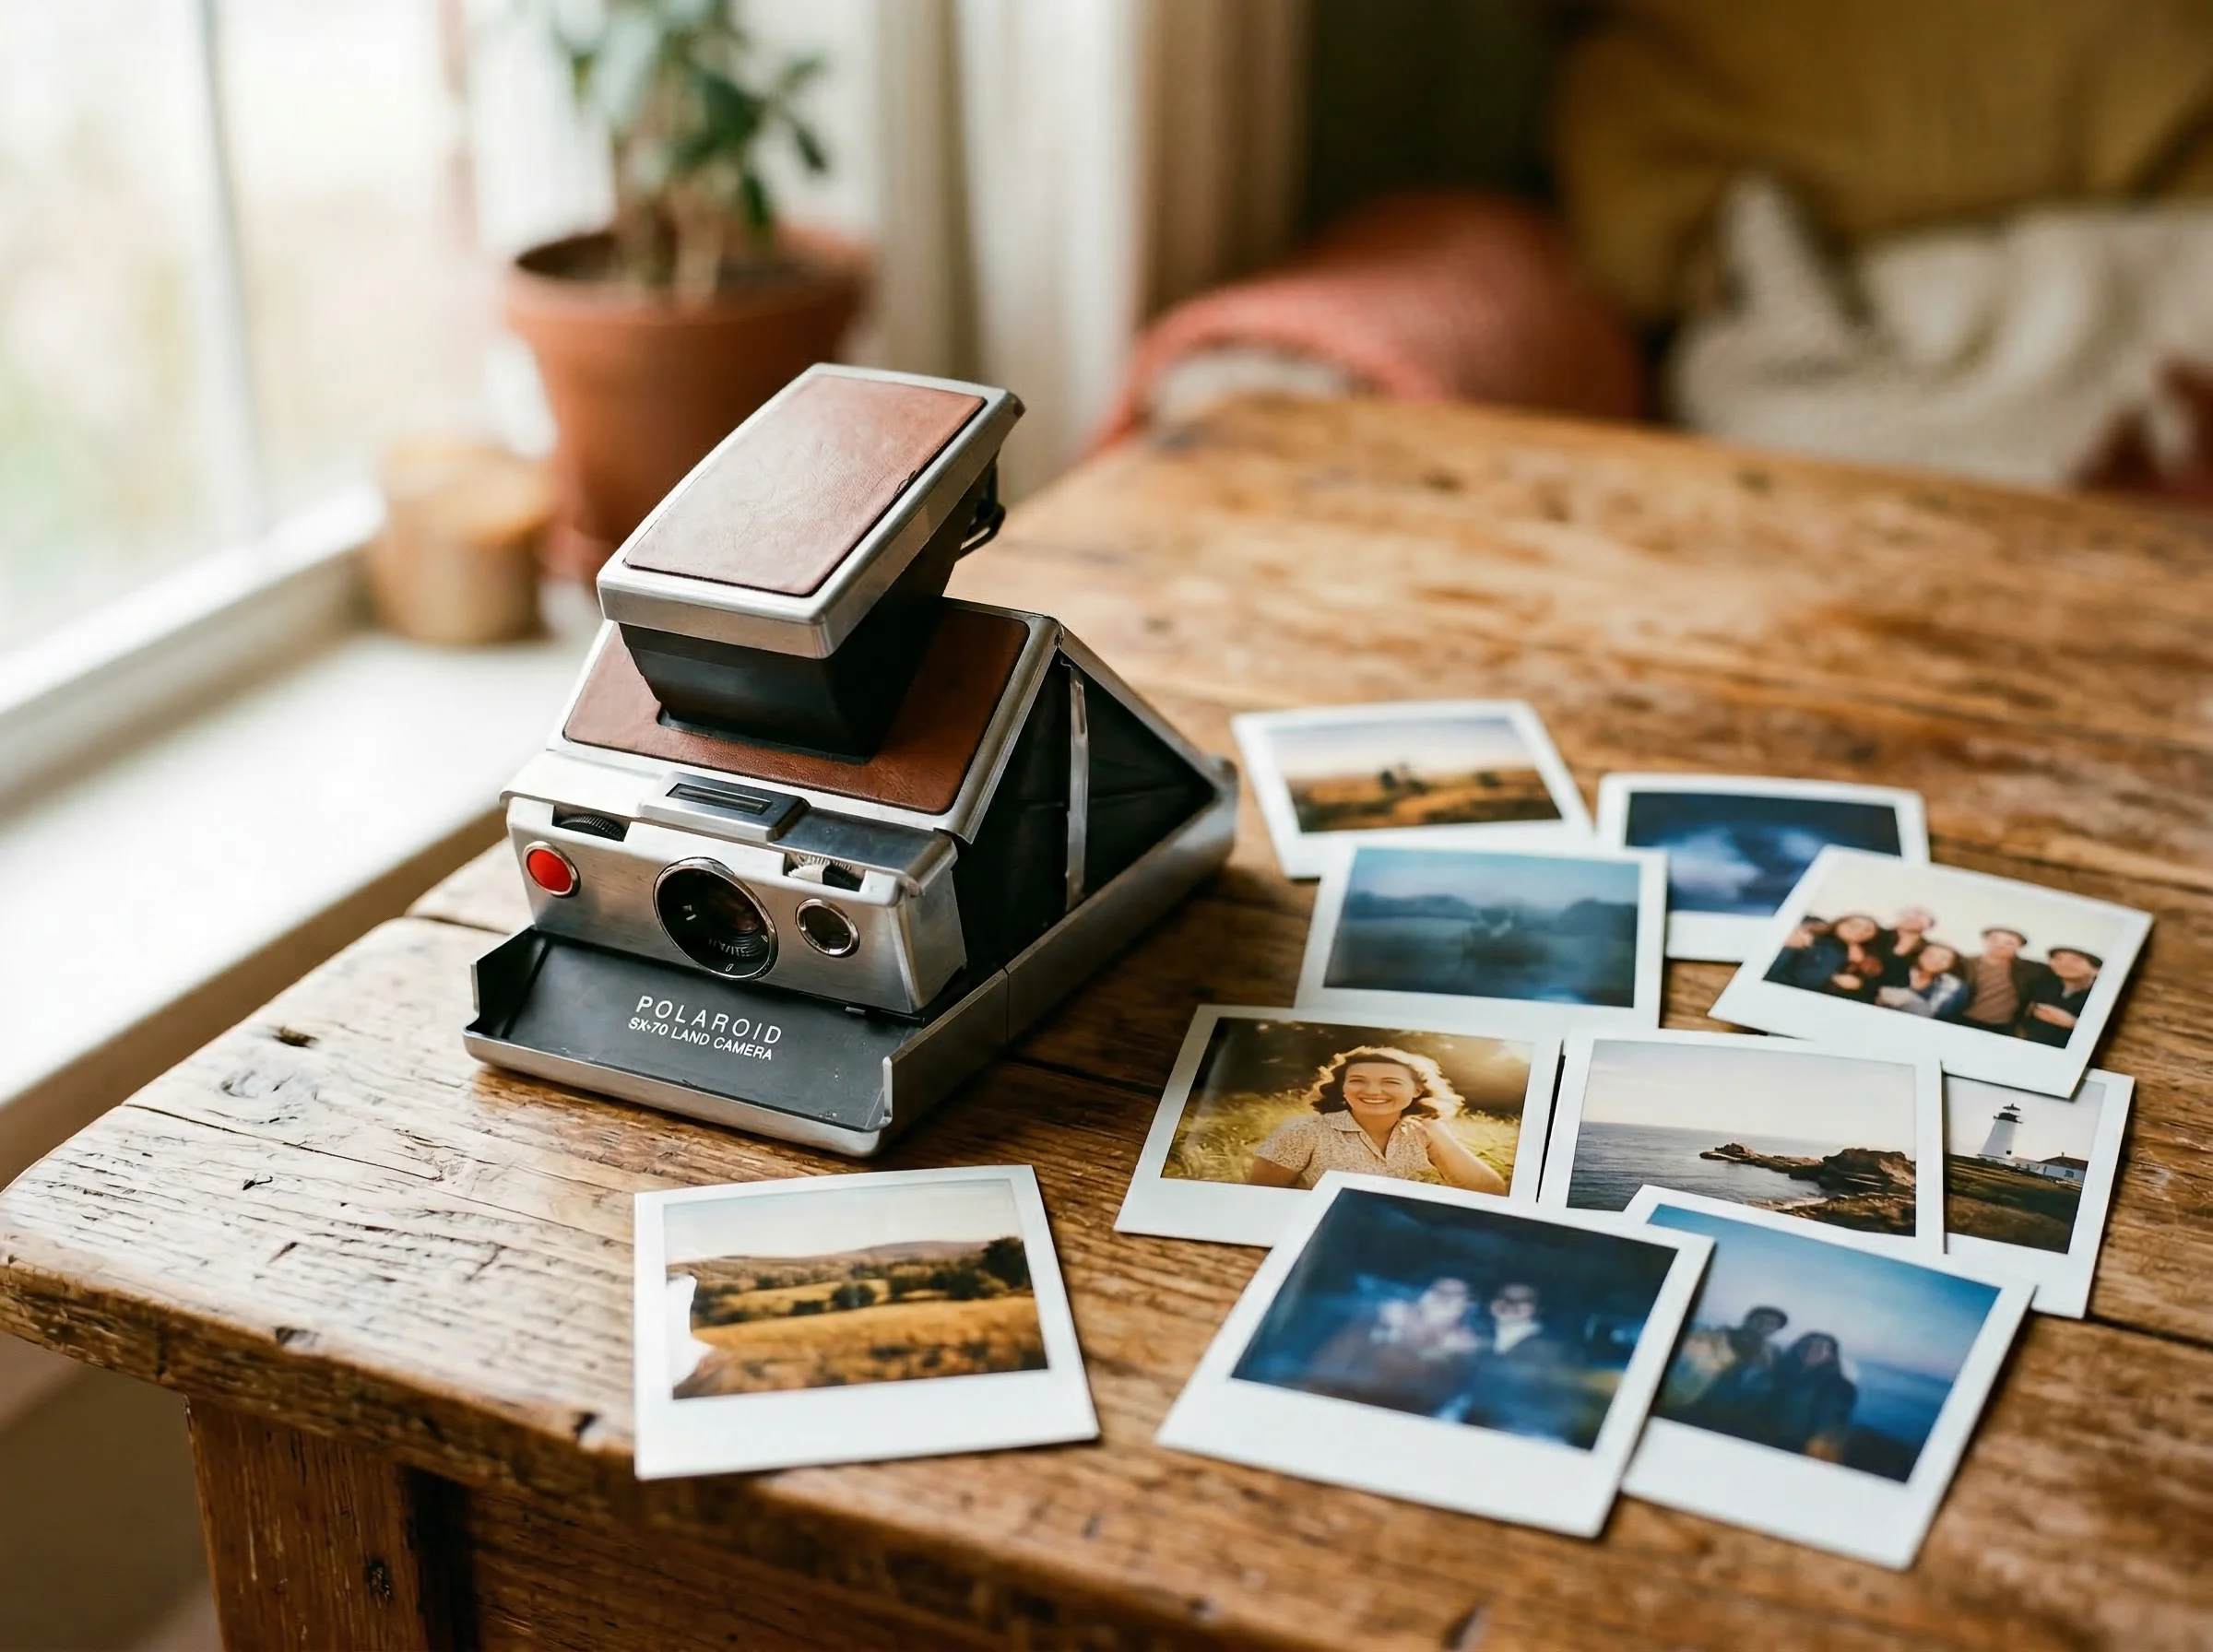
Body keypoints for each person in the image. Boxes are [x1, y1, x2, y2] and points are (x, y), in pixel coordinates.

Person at [1249, 1045, 1508, 1194]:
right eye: (1358, 1081)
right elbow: (1261, 1197)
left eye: (1390, 1082)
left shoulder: (1426, 1133)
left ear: (1416, 1091)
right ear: (1343, 1088)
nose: (1372, 1091)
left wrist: (1436, 1132)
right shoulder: (1303, 1131)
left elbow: (1490, 1189)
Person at [1299, 1275, 1483, 1417]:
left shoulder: (1465, 1352)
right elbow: (1327, 1365)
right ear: (1422, 1295)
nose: (1445, 1299)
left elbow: (1439, 1398)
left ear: (1467, 1306)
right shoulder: (1373, 1324)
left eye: (1456, 1296)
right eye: (1439, 1291)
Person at [1444, 1281, 1584, 1443]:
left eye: (1523, 1301)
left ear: (1536, 1309)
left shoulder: (1553, 1352)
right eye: (1504, 1298)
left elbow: (1564, 1411)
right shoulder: (1478, 1339)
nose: (1511, 1304)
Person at [1661, 1305, 1789, 1413]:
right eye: (1760, 1320)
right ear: (1748, 1320)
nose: (1764, 1326)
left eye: (1771, 1324)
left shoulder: (1769, 1358)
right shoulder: (1709, 1337)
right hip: (1684, 1403)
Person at [1754, 1333, 1858, 1460]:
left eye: (1821, 1347)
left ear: (1831, 1355)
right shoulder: (1779, 1374)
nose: (1812, 1350)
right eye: (1807, 1345)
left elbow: (1829, 1426)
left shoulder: (1839, 1387)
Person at [1958, 927, 2058, 1036]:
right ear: (1985, 940)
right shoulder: (1965, 963)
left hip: (2003, 1028)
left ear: (2019, 947)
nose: (2000, 945)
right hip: (1961, 1019)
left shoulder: (2031, 969)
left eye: (2009, 943)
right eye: (1994, 939)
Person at [1767, 913, 1886, 999]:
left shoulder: (1851, 957)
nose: (1860, 929)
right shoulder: (1811, 924)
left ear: (1870, 938)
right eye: (1855, 924)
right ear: (1842, 921)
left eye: (1868, 930)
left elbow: (1808, 980)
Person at [2019, 947, 2101, 1046]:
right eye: (2058, 958)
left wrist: (2073, 1023)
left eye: (2076, 960)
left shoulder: (2103, 994)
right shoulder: (2043, 979)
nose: (2064, 964)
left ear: (2096, 970)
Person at [1873, 941, 1970, 1020]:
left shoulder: (1954, 987)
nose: (1935, 961)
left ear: (1951, 965)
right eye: (1930, 955)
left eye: (1944, 959)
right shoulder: (1896, 968)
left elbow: (1946, 1018)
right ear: (1920, 955)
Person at [1877, 906, 1938, 980]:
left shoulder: (1930, 950)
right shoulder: (1876, 935)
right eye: (1911, 914)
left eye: (1921, 915)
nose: (1915, 917)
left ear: (1929, 925)